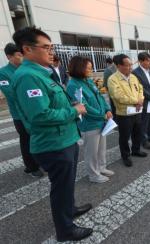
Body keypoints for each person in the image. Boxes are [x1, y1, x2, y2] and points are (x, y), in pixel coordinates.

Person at [12, 26, 92, 241]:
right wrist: (73, 110)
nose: (51, 51)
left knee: (66, 185)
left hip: (66, 137)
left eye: (52, 47)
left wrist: (70, 103)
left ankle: (70, 209)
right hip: (54, 144)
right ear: (27, 49)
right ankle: (65, 230)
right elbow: (40, 115)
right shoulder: (28, 76)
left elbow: (52, 101)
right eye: (46, 47)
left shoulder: (42, 73)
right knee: (60, 187)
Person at [66, 56, 114, 183]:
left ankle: (101, 167)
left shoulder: (88, 80)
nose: (90, 70)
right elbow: (83, 106)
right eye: (88, 68)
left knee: (101, 147)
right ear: (79, 68)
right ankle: (93, 174)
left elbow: (100, 97)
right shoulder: (73, 85)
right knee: (91, 151)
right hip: (89, 124)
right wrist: (101, 114)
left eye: (91, 68)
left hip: (101, 121)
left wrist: (107, 109)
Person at [0, 43, 43, 177]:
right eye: (19, 55)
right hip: (19, 114)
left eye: (22, 55)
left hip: (34, 111)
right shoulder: (3, 73)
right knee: (26, 139)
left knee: (36, 137)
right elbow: (11, 94)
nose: (22, 58)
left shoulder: (27, 69)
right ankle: (30, 167)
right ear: (9, 57)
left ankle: (38, 161)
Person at [108, 54, 147, 167]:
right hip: (124, 113)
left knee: (137, 132)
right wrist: (136, 101)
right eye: (128, 65)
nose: (131, 67)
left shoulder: (133, 77)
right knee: (124, 136)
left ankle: (136, 150)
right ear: (119, 66)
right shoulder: (113, 79)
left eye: (131, 65)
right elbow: (118, 96)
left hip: (137, 110)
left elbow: (140, 89)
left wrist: (141, 99)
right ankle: (125, 156)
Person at [133, 52, 150, 150]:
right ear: (141, 61)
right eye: (147, 61)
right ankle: (143, 141)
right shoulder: (135, 73)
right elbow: (140, 88)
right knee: (144, 122)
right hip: (145, 101)